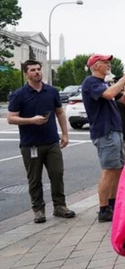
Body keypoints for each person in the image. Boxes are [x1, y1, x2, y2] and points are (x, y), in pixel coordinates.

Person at [7, 60, 76, 223]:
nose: (37, 72)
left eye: (39, 69)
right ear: (26, 73)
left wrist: (65, 134)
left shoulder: (51, 91)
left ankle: (60, 206)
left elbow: (59, 113)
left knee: (57, 174)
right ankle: (38, 210)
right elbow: (11, 118)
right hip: (31, 144)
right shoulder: (19, 94)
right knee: (35, 179)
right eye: (33, 70)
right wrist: (31, 120)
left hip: (52, 142)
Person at [81, 54, 125, 222]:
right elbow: (108, 94)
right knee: (109, 170)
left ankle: (112, 205)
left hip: (115, 131)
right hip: (105, 132)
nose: (108, 65)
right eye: (105, 62)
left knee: (116, 169)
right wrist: (124, 78)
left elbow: (124, 99)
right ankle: (104, 208)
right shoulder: (91, 82)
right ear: (95, 66)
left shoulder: (103, 84)